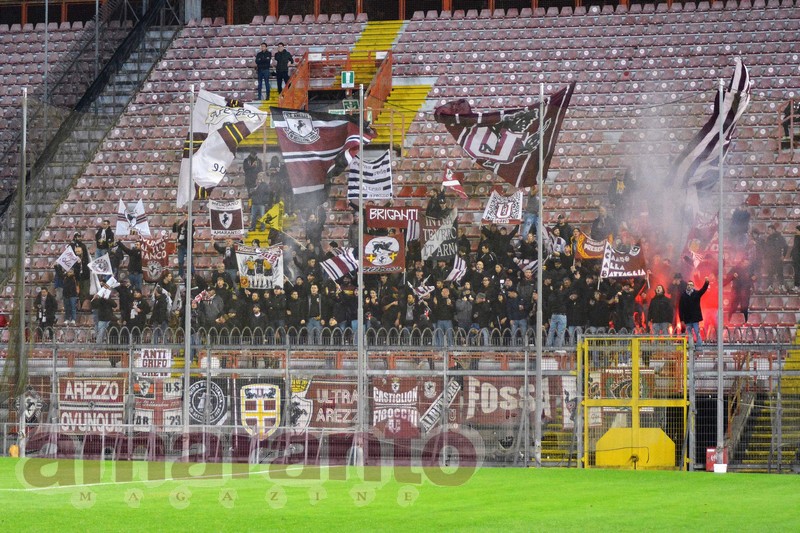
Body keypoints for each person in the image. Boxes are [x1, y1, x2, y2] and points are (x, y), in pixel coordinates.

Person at [679, 277, 709, 348]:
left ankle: (699, 347)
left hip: (695, 318)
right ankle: (691, 347)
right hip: (687, 319)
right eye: (688, 284)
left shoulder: (696, 294)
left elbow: (703, 290)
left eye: (691, 284)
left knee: (697, 332)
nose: (689, 285)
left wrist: (706, 283)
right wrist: (681, 319)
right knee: (689, 334)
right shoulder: (683, 296)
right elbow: (681, 308)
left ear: (693, 286)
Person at [764, 224, 789, 292]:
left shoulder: (780, 237)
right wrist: (766, 256)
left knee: (780, 273)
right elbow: (766, 248)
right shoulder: (768, 238)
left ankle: (781, 286)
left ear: (773, 230)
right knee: (770, 273)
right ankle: (770, 286)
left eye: (769, 230)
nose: (768, 231)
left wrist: (783, 255)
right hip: (770, 258)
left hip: (778, 258)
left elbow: (785, 246)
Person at [792, 225, 800, 292]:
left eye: (797, 230)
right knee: (797, 272)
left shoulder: (797, 237)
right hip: (796, 257)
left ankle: (797, 286)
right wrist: (792, 254)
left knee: (797, 272)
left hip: (798, 257)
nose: (795, 231)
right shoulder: (796, 237)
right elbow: (794, 247)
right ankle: (796, 286)